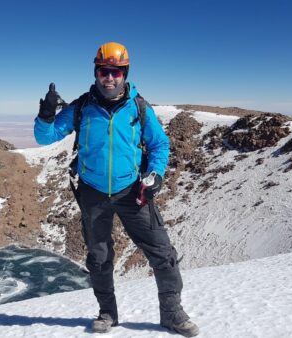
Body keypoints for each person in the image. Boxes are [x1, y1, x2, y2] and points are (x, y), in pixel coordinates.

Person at [34, 42, 199, 337]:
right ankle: (108, 313)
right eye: (103, 71)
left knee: (162, 253)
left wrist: (156, 175)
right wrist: (46, 115)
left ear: (125, 74)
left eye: (116, 72)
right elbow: (45, 137)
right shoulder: (82, 107)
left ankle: (172, 314)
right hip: (93, 193)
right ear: (96, 72)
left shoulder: (138, 107)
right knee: (98, 258)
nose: (109, 78)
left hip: (131, 191)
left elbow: (160, 144)